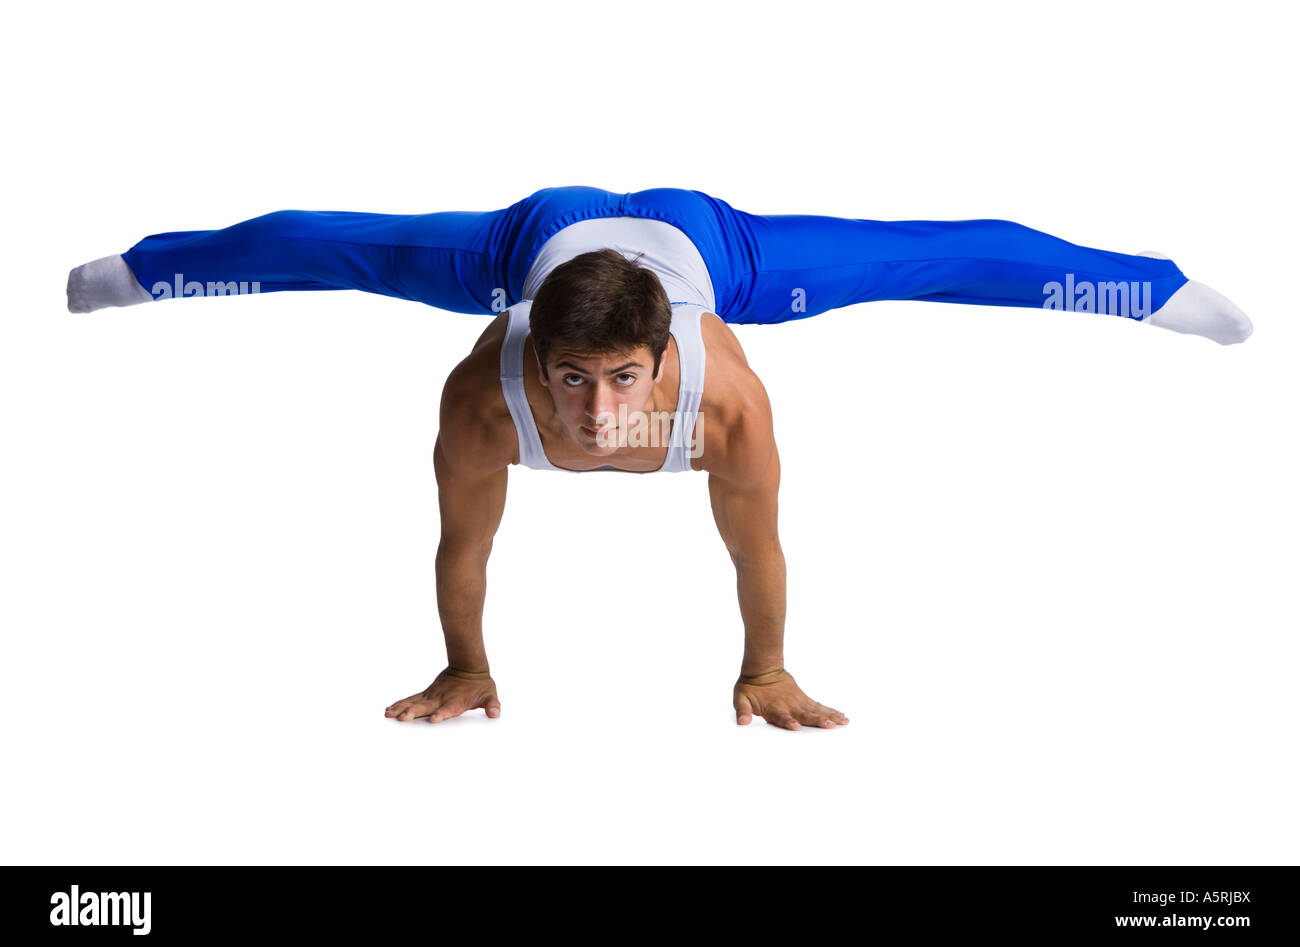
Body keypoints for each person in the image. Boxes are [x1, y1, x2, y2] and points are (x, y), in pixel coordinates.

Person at [66, 185, 1253, 731]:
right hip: (535, 236)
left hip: (702, 241)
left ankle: (1146, 289)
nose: (588, 411)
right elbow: (463, 546)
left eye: (619, 380)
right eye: (565, 382)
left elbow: (756, 543)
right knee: (319, 247)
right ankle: (133, 271)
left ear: (662, 358)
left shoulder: (726, 400)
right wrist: (462, 665)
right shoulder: (482, 399)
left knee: (928, 256)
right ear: (530, 356)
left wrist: (768, 666)